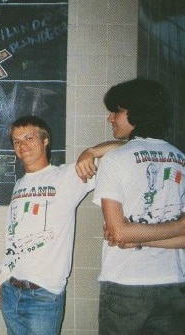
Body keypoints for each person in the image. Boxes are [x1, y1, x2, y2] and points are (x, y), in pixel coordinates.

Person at [0, 115, 113, 335]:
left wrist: (91, 152)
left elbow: (126, 149)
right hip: (11, 292)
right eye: (17, 141)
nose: (22, 145)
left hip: (43, 296)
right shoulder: (19, 185)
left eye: (29, 138)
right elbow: (14, 242)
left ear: (45, 140)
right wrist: (0, 282)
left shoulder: (66, 176)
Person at [89, 78, 185, 334]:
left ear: (137, 111)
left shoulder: (115, 160)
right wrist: (179, 226)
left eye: (117, 110)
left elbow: (118, 233)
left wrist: (135, 237)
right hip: (174, 284)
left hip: (125, 284)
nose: (110, 118)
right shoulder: (181, 159)